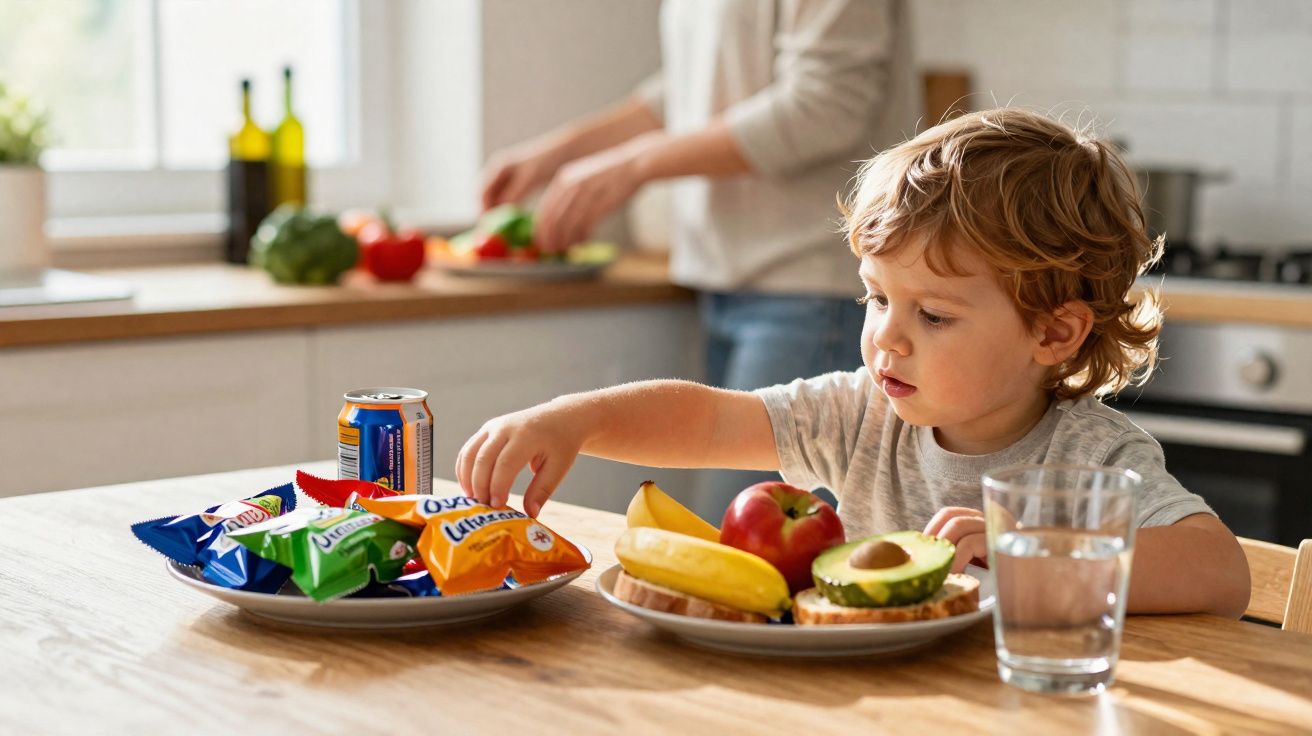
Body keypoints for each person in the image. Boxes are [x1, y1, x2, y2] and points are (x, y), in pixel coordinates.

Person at [456, 108, 1251, 616]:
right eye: (876, 299)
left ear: (1054, 334)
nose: (887, 340)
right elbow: (705, 419)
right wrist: (577, 418)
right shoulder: (862, 413)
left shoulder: (1092, 457)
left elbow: (1219, 574)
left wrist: (1027, 555)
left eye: (933, 315)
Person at [479, 0, 917, 520]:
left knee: (742, 541)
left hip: (805, 284)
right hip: (727, 281)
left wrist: (634, 165)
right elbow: (690, 90)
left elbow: (826, 103)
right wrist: (561, 153)